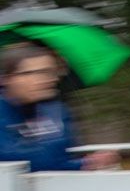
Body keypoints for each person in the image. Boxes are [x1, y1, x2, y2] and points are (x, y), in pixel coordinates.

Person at [0, 43, 117, 171]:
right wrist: (84, 163)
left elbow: (59, 159)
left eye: (51, 72)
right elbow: (15, 160)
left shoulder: (55, 110)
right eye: (37, 72)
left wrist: (88, 163)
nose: (50, 79)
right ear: (6, 79)